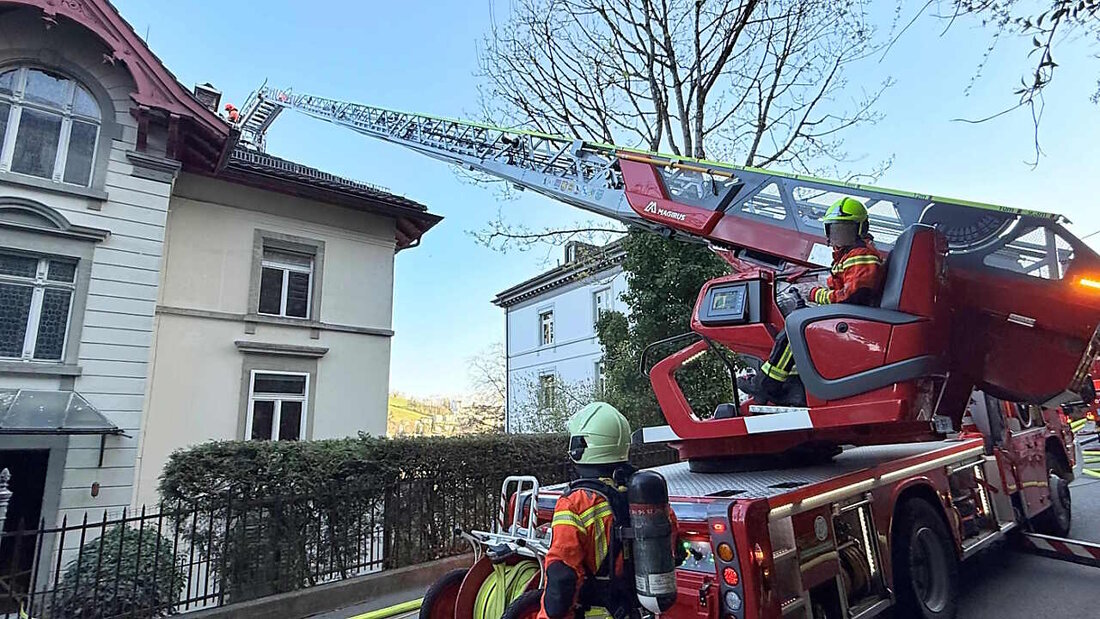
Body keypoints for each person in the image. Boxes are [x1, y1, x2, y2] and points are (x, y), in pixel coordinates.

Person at [539, 403, 678, 619]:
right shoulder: (645, 493)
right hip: (639, 609)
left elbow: (562, 577)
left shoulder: (576, 501)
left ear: (580, 446)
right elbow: (673, 549)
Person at [749, 197, 886, 406]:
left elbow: (853, 296)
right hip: (852, 314)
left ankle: (767, 385)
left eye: (845, 230)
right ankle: (794, 387)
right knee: (797, 327)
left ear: (860, 229)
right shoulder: (847, 256)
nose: (839, 236)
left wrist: (813, 294)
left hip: (854, 316)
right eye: (835, 229)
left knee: (794, 329)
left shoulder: (860, 255)